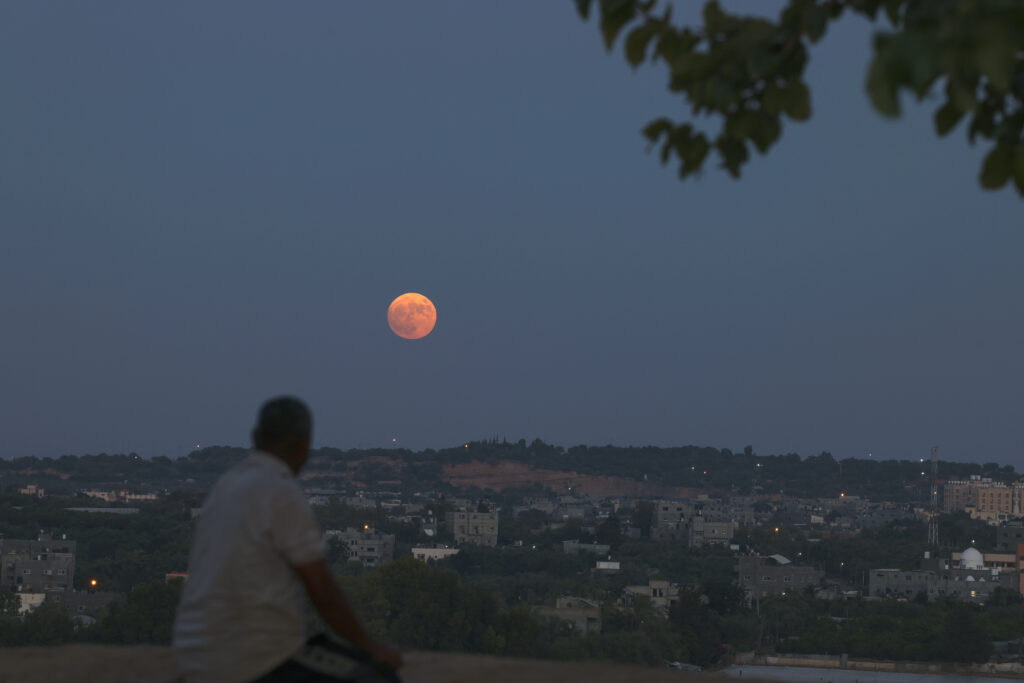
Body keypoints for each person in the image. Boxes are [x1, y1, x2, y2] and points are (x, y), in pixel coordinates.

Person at [173, 396, 402, 682]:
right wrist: (372, 647)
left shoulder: (226, 486)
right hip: (255, 657)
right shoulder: (280, 492)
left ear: (255, 436)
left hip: (195, 652)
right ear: (305, 445)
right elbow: (323, 593)